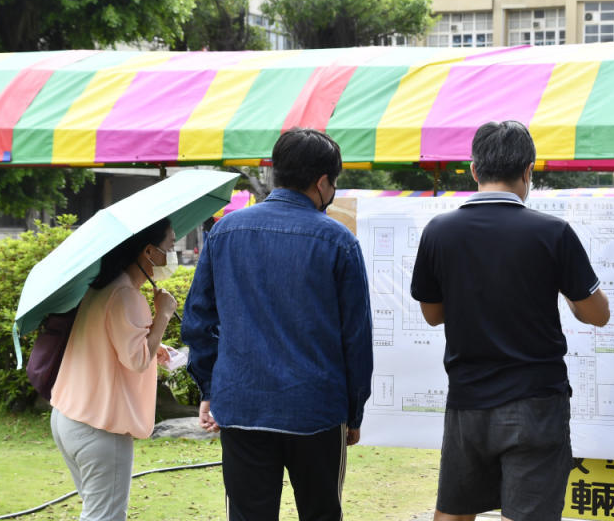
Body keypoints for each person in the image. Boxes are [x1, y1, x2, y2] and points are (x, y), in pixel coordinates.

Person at [410, 121, 610, 521]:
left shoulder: (439, 231)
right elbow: (597, 314)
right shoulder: (553, 233)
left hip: (467, 401)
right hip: (536, 403)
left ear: (473, 169)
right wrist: (569, 299)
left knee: (453, 511)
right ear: (528, 171)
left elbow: (433, 316)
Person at [182, 128, 373, 521]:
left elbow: (199, 321)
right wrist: (354, 413)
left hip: (242, 405)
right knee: (321, 514)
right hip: (317, 409)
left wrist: (209, 387)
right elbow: (356, 338)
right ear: (322, 182)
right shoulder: (339, 242)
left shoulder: (225, 232)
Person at [50, 218, 179, 521]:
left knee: (96, 513)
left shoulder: (102, 289)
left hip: (70, 418)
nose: (172, 254)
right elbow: (136, 360)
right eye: (169, 247)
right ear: (149, 252)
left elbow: (111, 344)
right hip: (100, 429)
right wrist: (164, 314)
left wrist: (153, 343)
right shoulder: (126, 296)